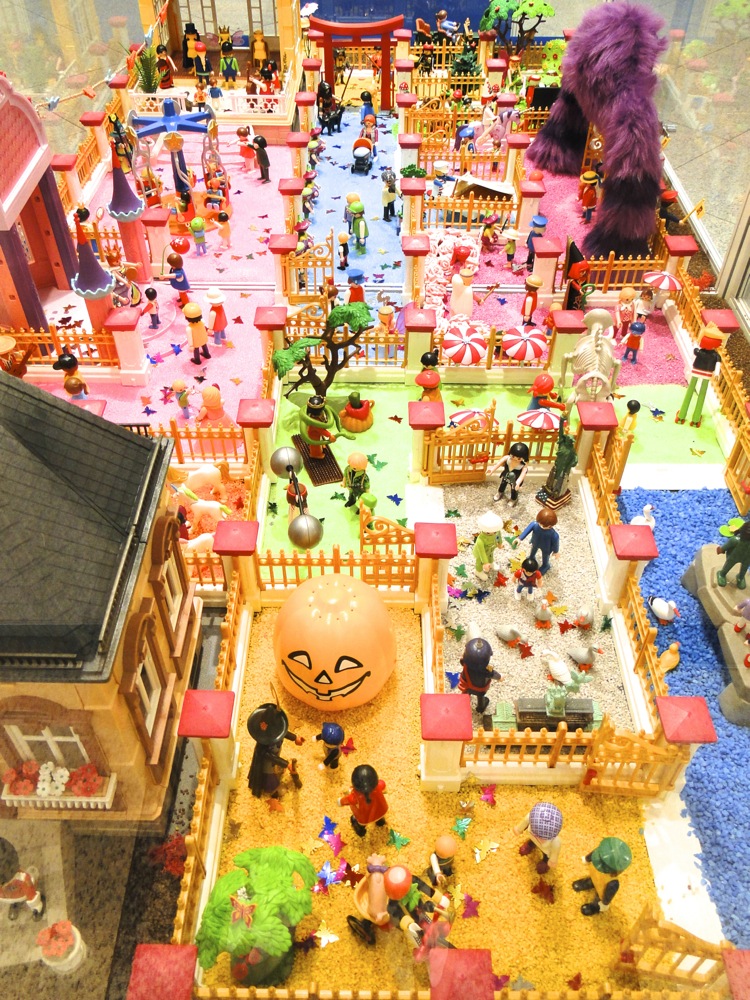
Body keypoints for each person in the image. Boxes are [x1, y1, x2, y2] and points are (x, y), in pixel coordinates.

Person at [513, 802, 563, 875]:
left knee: (546, 855)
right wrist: (519, 829)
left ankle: (545, 861)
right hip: (532, 837)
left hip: (546, 849)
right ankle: (530, 844)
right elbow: (525, 821)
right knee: (533, 840)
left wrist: (553, 859)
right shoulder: (531, 818)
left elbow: (555, 850)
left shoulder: (555, 841)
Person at [339, 764, 388, 837]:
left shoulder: (354, 796)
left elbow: (346, 801)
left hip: (365, 818)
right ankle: (380, 822)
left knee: (360, 824)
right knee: (379, 817)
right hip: (382, 810)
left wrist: (339, 801)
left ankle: (360, 830)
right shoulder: (379, 785)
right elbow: (383, 786)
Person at [458, 636, 501, 714]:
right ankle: (480, 708)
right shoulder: (486, 671)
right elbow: (493, 674)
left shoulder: (465, 662)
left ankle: (462, 703)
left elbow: (462, 662)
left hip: (467, 684)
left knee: (466, 693)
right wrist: (500, 677)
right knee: (480, 697)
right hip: (479, 688)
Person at [519, 509, 559, 575]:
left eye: (544, 525)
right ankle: (531, 557)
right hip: (535, 542)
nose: (541, 526)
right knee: (533, 550)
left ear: (550, 526)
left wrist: (556, 551)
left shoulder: (553, 534)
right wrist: (520, 538)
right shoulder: (535, 525)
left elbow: (555, 543)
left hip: (546, 548)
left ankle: (545, 565)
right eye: (540, 523)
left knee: (545, 556)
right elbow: (526, 531)